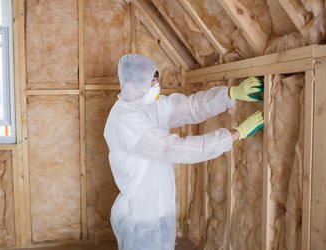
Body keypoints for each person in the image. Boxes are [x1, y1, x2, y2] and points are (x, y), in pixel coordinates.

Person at [103, 54, 264, 250]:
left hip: (159, 210)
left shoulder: (150, 106)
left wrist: (230, 94)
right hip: (141, 216)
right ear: (131, 85)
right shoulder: (125, 121)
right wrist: (234, 134)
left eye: (156, 79)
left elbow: (190, 107)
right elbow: (173, 149)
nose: (156, 85)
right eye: (151, 81)